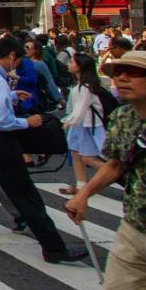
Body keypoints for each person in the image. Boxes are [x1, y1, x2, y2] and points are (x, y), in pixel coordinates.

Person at [50, 50, 146, 290]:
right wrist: (85, 195)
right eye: (117, 72)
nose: (121, 78)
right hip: (135, 229)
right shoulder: (124, 118)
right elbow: (116, 163)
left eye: (133, 73)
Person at [0, 36, 88, 264]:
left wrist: (11, 96)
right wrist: (28, 122)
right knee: (26, 196)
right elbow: (1, 120)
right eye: (19, 59)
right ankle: (54, 248)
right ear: (12, 56)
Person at [60, 53, 110, 197]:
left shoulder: (86, 86)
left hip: (89, 125)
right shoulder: (78, 84)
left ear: (80, 66)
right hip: (80, 124)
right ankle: (80, 185)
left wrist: (67, 122)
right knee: (76, 154)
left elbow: (80, 110)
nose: (69, 64)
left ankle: (118, 175)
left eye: (72, 62)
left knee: (87, 158)